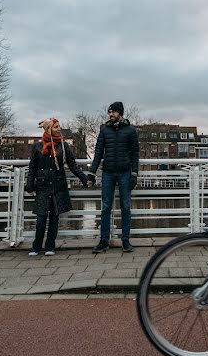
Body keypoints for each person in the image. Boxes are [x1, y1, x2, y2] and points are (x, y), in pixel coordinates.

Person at [24, 118, 91, 256]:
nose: (59, 129)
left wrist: (84, 178)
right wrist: (29, 184)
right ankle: (36, 245)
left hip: (57, 185)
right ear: (48, 129)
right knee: (40, 219)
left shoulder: (63, 146)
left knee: (55, 218)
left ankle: (50, 246)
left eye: (59, 126)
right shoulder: (37, 146)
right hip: (42, 186)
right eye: (56, 127)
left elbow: (72, 165)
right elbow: (33, 167)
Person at [87, 101, 139, 253]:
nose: (110, 114)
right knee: (106, 207)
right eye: (109, 112)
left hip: (125, 172)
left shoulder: (130, 131)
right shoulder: (104, 130)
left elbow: (135, 154)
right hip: (108, 173)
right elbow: (98, 153)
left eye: (113, 112)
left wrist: (134, 174)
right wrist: (92, 173)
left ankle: (125, 240)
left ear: (120, 113)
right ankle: (104, 241)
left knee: (125, 207)